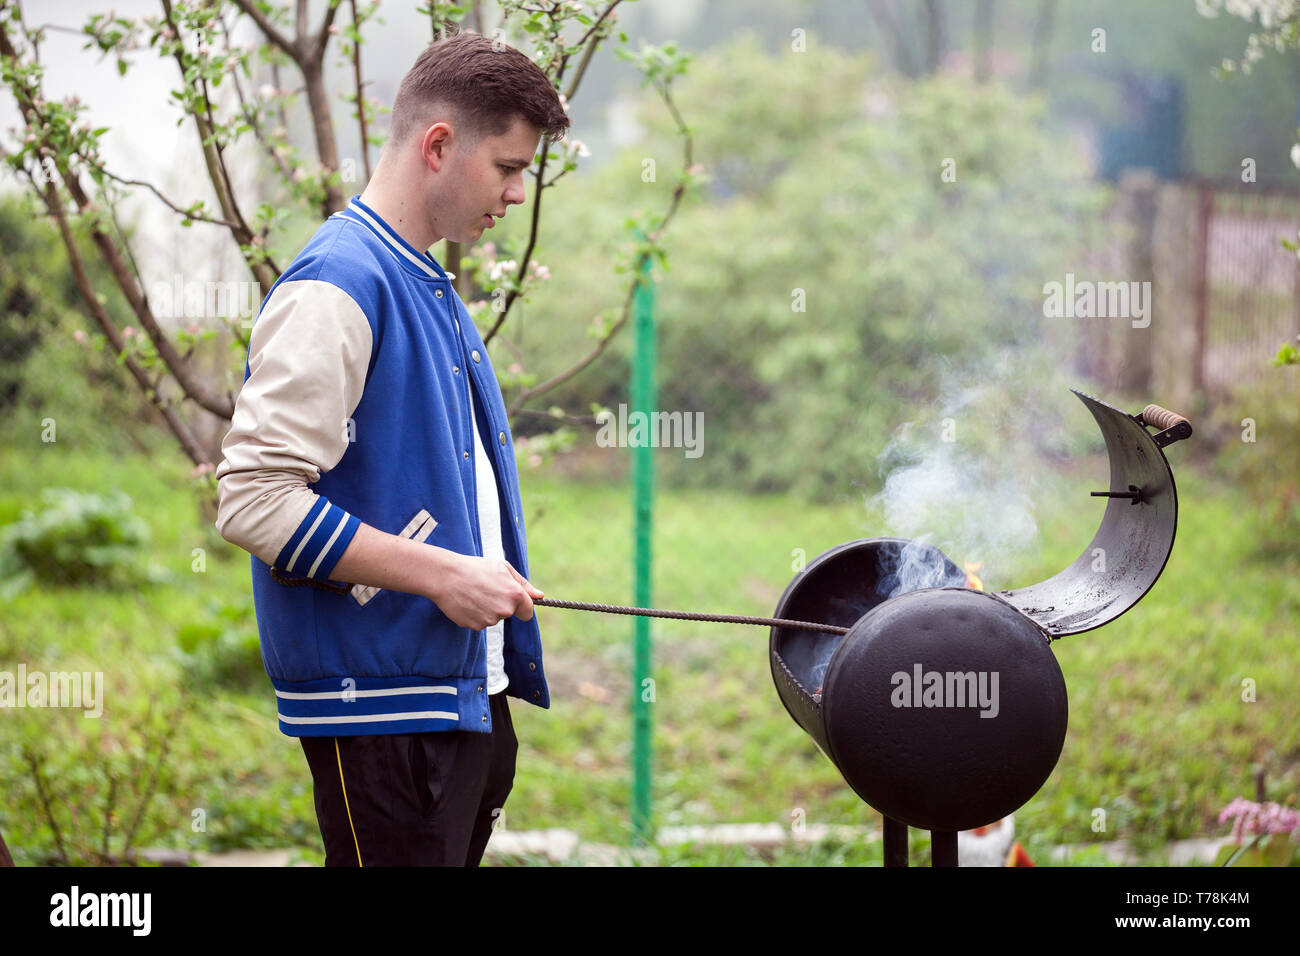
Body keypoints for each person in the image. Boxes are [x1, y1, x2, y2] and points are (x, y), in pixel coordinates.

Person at [214, 31, 570, 867]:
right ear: (439, 145)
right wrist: (447, 574)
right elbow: (253, 497)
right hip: (376, 708)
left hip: (452, 696)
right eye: (509, 167)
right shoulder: (340, 284)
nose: (518, 194)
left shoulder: (421, 276)